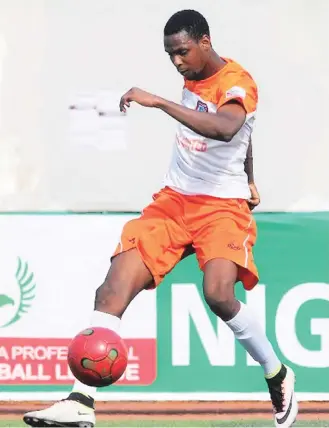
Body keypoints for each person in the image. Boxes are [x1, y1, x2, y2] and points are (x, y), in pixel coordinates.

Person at [23, 9, 297, 428]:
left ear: (205, 42)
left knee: (219, 295)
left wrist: (159, 102)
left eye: (182, 52)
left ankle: (277, 373)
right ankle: (81, 401)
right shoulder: (193, 72)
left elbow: (227, 129)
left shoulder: (237, 83)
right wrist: (252, 176)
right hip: (172, 202)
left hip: (221, 208)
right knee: (111, 288)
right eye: (170, 54)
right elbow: (245, 139)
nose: (176, 62)